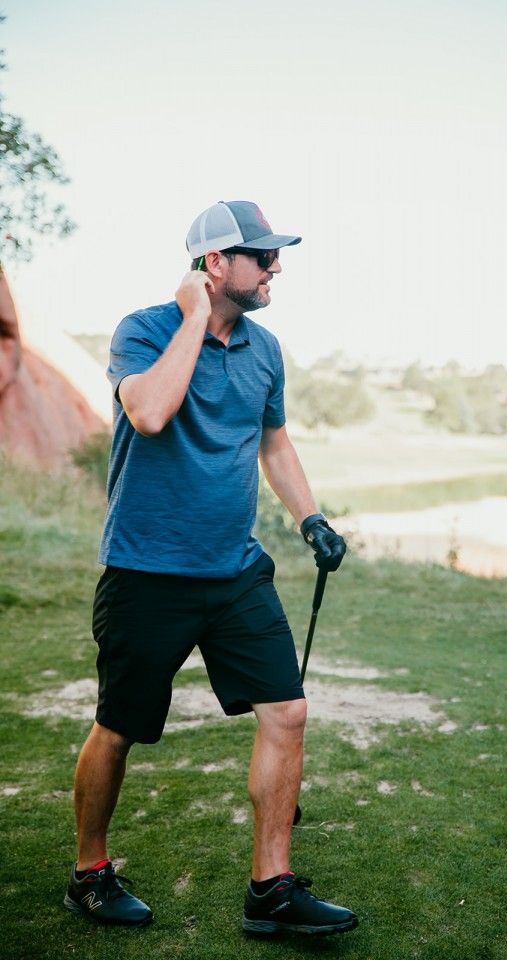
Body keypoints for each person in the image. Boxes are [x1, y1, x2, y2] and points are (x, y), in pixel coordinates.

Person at [63, 200, 358, 937]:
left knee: (287, 712)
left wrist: (310, 517)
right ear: (216, 263)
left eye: (274, 254)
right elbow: (150, 414)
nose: (277, 267)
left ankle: (272, 890)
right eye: (262, 255)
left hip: (234, 571)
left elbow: (275, 442)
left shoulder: (266, 350)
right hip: (145, 571)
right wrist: (193, 318)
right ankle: (90, 874)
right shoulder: (143, 331)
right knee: (119, 728)